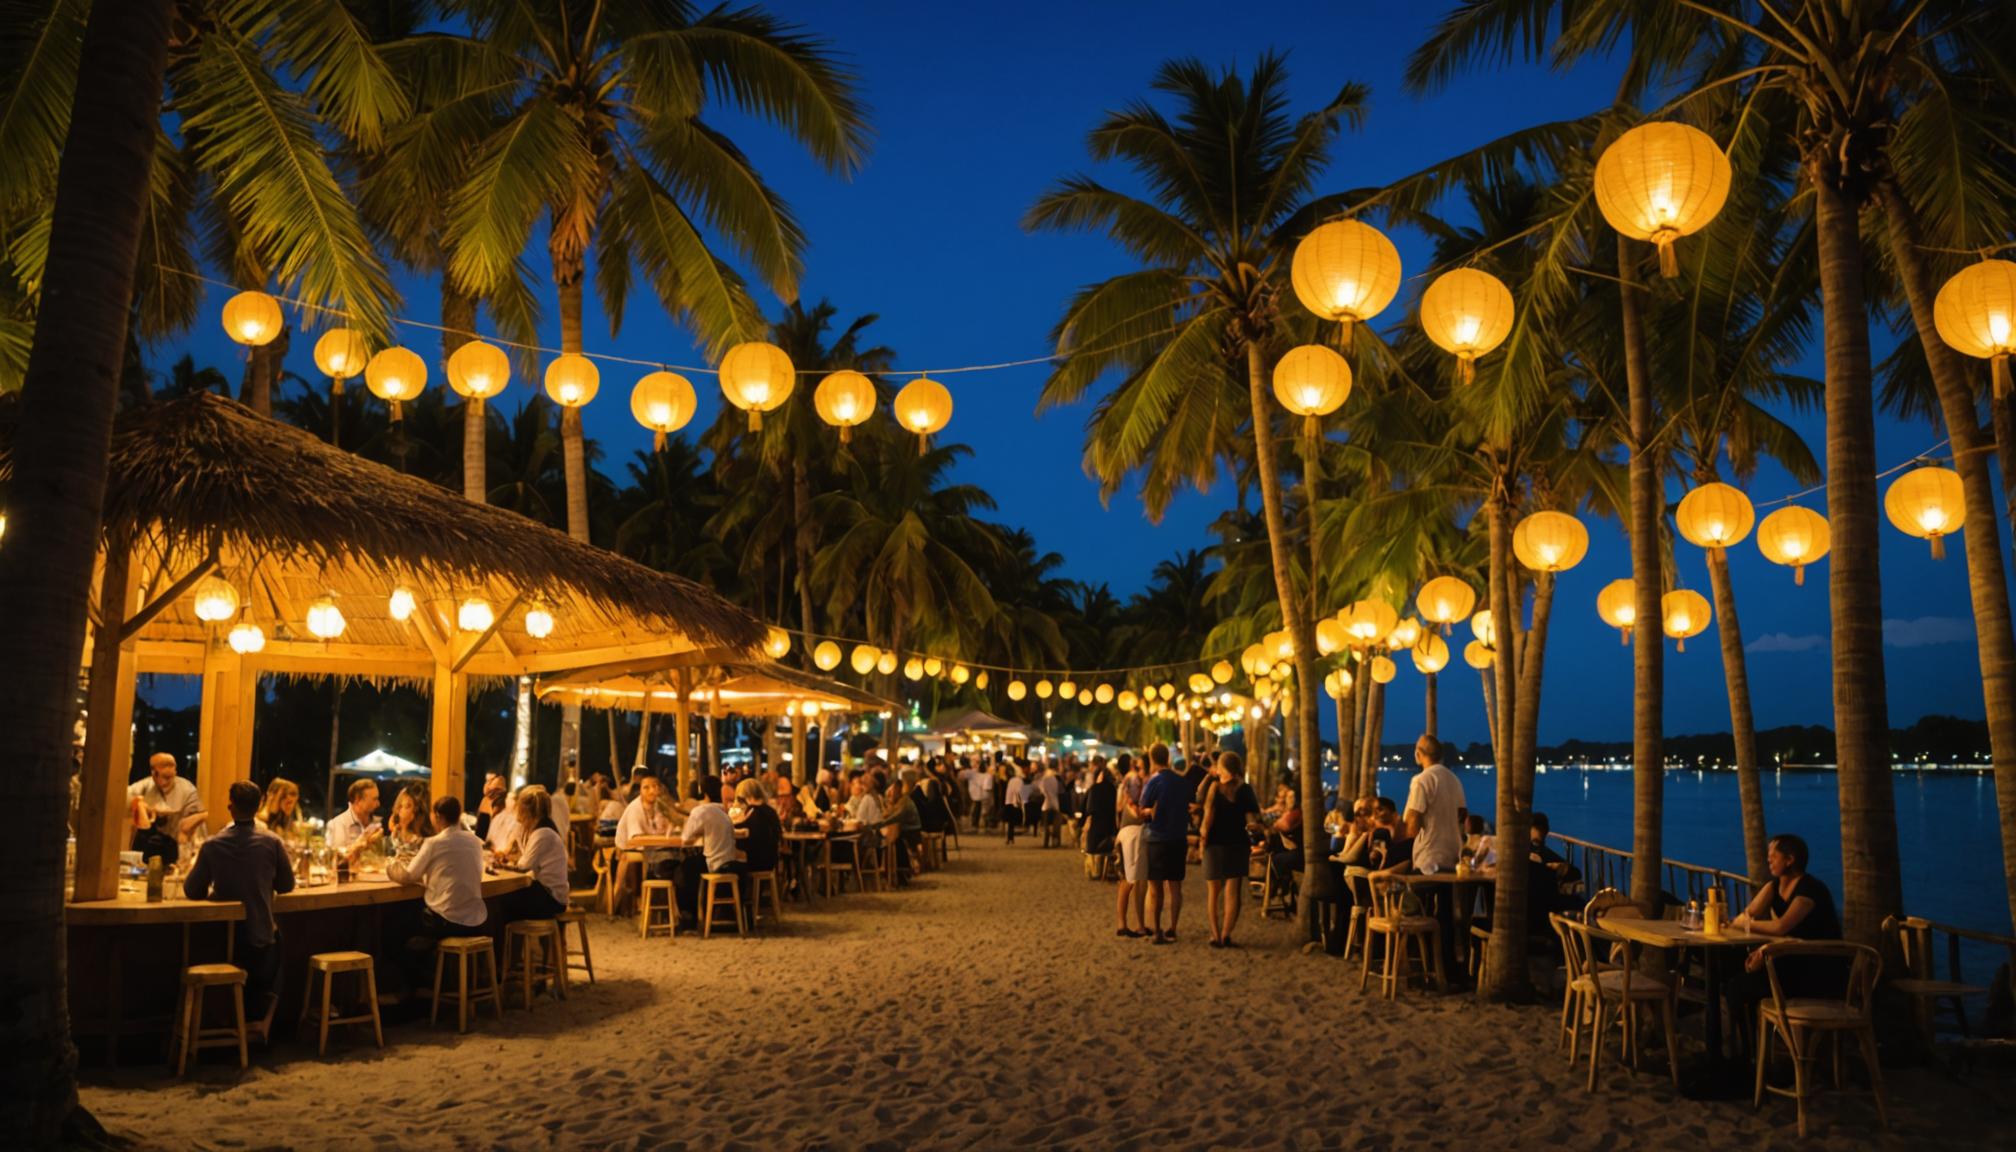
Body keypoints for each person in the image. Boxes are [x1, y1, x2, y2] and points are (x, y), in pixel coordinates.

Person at [184, 780, 295, 1028]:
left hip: (219, 941)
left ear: (230, 806)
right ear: (258, 807)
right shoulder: (272, 842)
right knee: (282, 947)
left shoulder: (213, 845)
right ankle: (256, 1024)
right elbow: (287, 886)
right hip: (260, 941)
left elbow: (192, 890)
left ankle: (223, 1021)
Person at [1727, 833, 1845, 1042]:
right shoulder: (1774, 887)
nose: (1769, 859)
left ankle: (1750, 1053)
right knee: (1730, 968)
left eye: (1774, 856)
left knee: (1738, 986)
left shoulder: (1811, 889)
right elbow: (1747, 914)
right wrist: (1746, 924)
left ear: (1790, 860)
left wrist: (1746, 926)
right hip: (1793, 961)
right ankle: (1752, 1048)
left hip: (1818, 970)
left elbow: (1781, 927)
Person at [386, 796, 488, 990]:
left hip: (446, 922)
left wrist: (390, 866)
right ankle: (433, 984)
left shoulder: (434, 843)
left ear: (437, 816)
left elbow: (408, 875)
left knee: (392, 935)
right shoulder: (474, 841)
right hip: (475, 921)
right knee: (412, 922)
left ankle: (423, 988)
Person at [1199, 751, 1261, 949]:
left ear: (1223, 768)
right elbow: (1253, 821)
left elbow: (1207, 818)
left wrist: (1202, 842)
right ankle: (1226, 935)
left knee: (1213, 892)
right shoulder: (1246, 790)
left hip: (1214, 844)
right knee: (1233, 892)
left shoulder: (1215, 788)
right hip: (1238, 844)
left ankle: (1216, 936)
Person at [1138, 742, 1193, 945]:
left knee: (1156, 889)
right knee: (1176, 888)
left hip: (1157, 838)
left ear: (1152, 759)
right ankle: (1173, 929)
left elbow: (1144, 807)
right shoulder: (1182, 782)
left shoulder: (1154, 781)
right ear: (1168, 758)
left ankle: (1156, 929)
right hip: (1178, 837)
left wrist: (1146, 812)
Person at [495, 786, 569, 926]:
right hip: (545, 892)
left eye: (519, 806)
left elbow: (524, 865)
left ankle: (506, 946)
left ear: (528, 811)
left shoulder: (543, 834)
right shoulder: (539, 831)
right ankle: (514, 946)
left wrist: (503, 865)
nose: (516, 808)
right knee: (503, 900)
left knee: (499, 901)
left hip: (551, 898)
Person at [674, 780, 740, 926]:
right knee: (694, 863)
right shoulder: (725, 812)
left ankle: (688, 915)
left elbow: (685, 839)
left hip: (713, 863)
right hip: (729, 861)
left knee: (686, 867)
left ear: (704, 794)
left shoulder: (701, 811)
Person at [127, 753, 207, 858]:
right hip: (150, 845)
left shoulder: (187, 789)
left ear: (175, 771)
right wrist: (142, 806)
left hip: (178, 844)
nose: (166, 781)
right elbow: (123, 799)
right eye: (163, 775)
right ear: (153, 773)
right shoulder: (144, 786)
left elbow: (198, 817)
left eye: (169, 776)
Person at [1113, 754, 1149, 937]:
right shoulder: (1134, 778)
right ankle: (1134, 924)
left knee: (1128, 879)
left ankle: (1126, 923)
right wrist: (1145, 815)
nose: (1138, 768)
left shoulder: (1124, 781)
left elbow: (1119, 807)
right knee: (1131, 880)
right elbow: (1132, 804)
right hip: (1133, 832)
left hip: (1124, 831)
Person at [325, 778, 382, 863]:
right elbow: (336, 860)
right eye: (374, 799)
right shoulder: (339, 823)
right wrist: (361, 843)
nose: (378, 803)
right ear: (358, 800)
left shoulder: (375, 824)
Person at [384, 781, 434, 858]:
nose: (399, 810)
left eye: (407, 806)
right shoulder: (394, 838)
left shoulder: (426, 844)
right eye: (400, 806)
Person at [253, 777, 301, 842]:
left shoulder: (284, 820)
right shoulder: (258, 822)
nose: (290, 806)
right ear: (272, 795)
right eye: (283, 796)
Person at [1002, 766, 1027, 845]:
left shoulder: (1011, 781)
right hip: (1014, 803)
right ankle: (1011, 838)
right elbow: (1019, 791)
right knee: (1012, 822)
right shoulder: (1019, 781)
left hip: (1008, 802)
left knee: (1010, 822)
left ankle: (1010, 838)